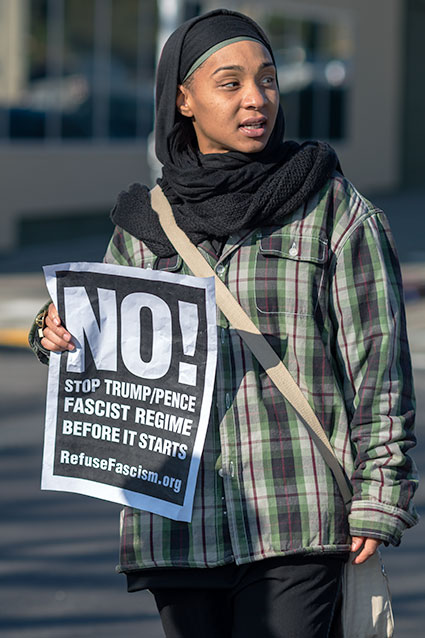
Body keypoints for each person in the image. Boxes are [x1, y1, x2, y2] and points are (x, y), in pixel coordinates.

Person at [29, 8, 418, 638]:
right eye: (230, 83)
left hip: (297, 517)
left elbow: (378, 365)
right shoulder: (144, 225)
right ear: (183, 100)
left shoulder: (333, 211)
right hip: (176, 525)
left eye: (267, 79)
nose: (255, 98)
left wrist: (380, 494)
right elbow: (96, 345)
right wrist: (52, 331)